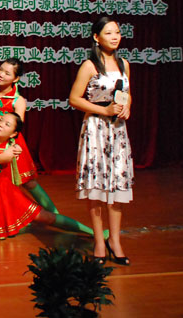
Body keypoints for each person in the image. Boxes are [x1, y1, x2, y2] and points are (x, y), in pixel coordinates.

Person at [0, 111, 94, 239]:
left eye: (7, 124)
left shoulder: (12, 149)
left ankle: (92, 233)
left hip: (2, 196)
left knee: (46, 217)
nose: (1, 124)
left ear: (13, 134)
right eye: (1, 120)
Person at [69, 17, 133, 266]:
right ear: (97, 37)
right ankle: (98, 242)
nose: (115, 37)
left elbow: (127, 94)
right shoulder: (89, 65)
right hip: (95, 129)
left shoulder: (124, 64)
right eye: (109, 33)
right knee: (96, 188)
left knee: (117, 187)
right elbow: (74, 99)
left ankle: (115, 241)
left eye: (117, 32)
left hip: (117, 132)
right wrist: (103, 110)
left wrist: (126, 107)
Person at [0, 59, 59, 213]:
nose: (1, 74)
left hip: (10, 144)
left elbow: (17, 126)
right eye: (0, 69)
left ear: (15, 79)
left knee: (28, 183)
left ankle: (54, 215)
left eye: (7, 73)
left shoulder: (18, 100)